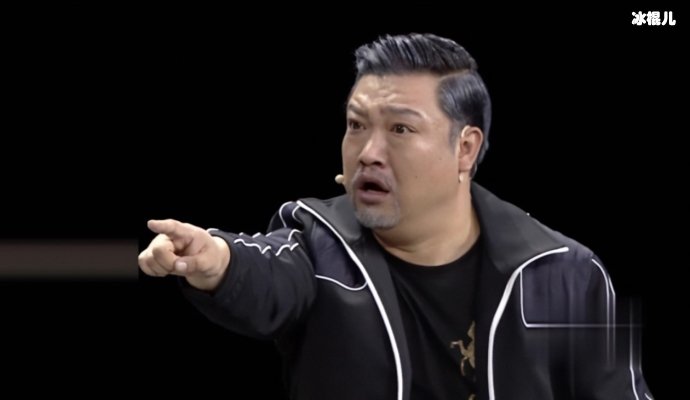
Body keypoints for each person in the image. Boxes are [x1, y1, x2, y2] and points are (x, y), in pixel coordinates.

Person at [139, 33, 653, 400]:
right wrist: (217, 260)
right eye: (356, 125)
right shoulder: (315, 243)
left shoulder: (567, 271)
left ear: (465, 149)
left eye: (401, 130)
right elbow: (265, 271)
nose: (368, 152)